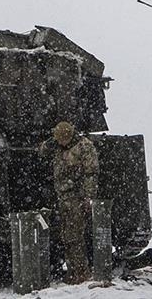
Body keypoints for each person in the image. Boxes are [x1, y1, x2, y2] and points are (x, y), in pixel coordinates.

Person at [39, 120, 99, 284]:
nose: (60, 143)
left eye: (62, 139)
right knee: (65, 236)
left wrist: (88, 197)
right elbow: (42, 151)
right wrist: (52, 142)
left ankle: (82, 272)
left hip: (77, 197)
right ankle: (72, 271)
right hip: (63, 197)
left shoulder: (83, 146)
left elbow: (91, 173)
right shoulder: (58, 145)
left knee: (75, 236)